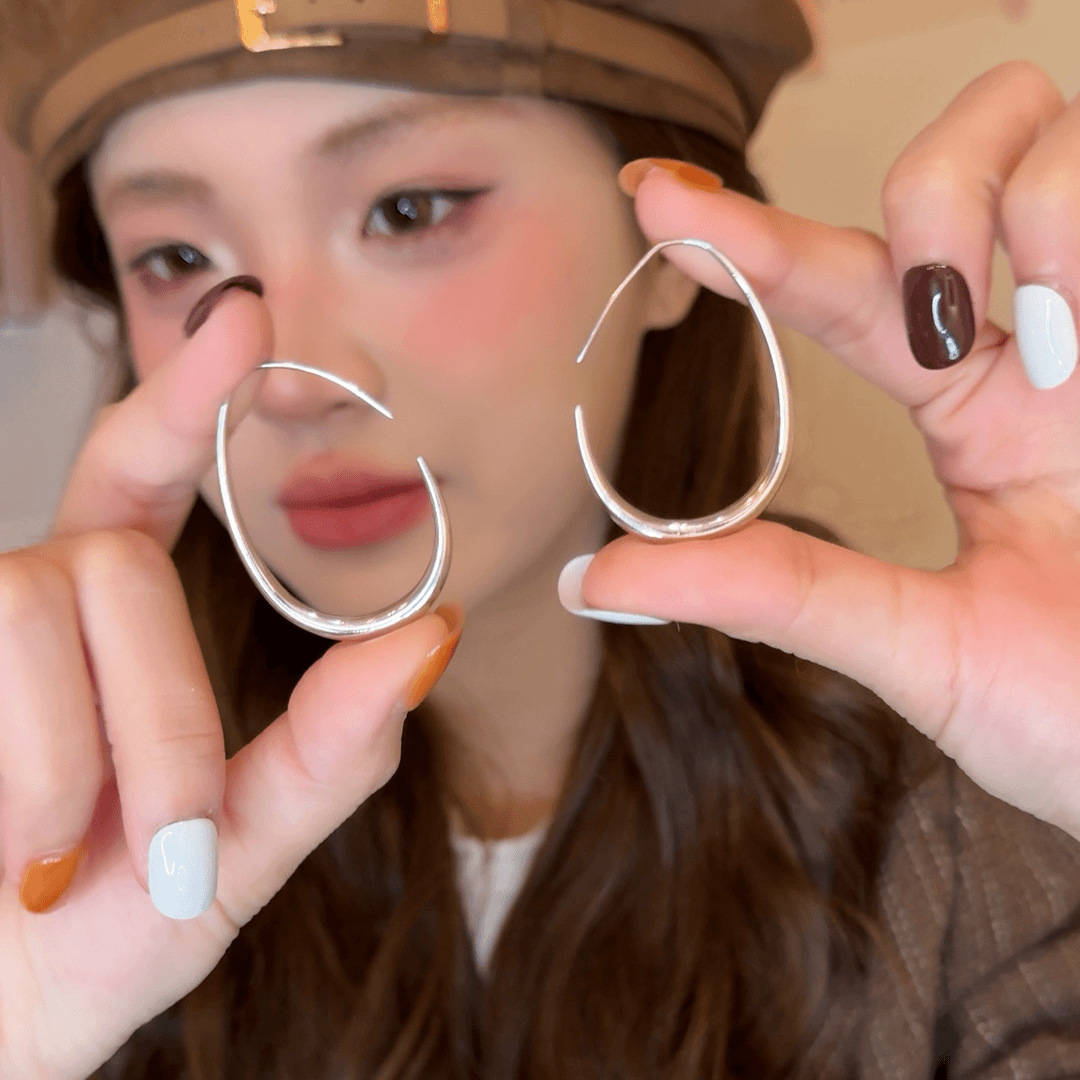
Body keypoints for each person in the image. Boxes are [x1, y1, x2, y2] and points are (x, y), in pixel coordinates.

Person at [1, 0, 1080, 1077]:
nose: (291, 385)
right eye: (177, 256)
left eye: (409, 211)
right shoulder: (67, 848)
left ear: (674, 256)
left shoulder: (956, 841)